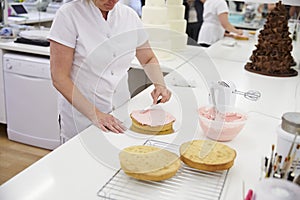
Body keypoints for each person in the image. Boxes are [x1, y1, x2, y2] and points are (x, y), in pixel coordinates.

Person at [48, 0, 171, 142]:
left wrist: (160, 84)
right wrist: (96, 115)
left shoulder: (129, 16)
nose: (112, 1)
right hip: (82, 117)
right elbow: (59, 77)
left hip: (121, 110)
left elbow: (148, 58)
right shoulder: (69, 15)